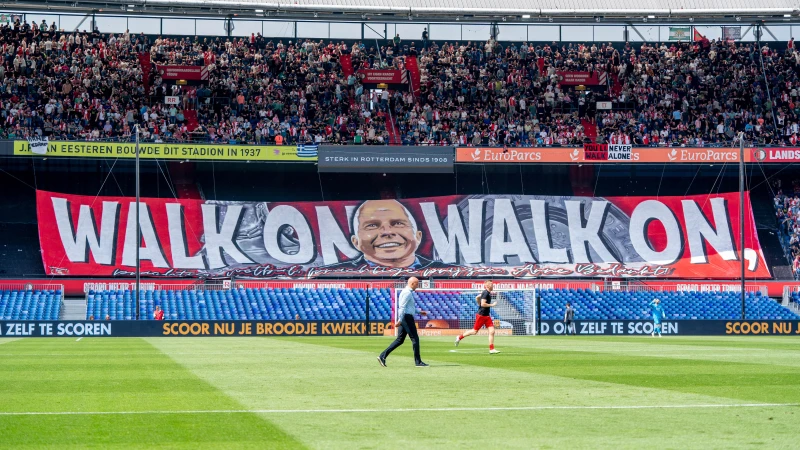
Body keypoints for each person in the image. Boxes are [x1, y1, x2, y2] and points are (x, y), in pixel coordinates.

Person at [323, 200, 443, 270]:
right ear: (356, 242)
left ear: (418, 236)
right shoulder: (336, 272)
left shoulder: (443, 270)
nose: (387, 232)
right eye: (372, 225)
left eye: (398, 223)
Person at [378, 277, 428, 367]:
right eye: (417, 284)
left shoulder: (406, 292)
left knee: (400, 340)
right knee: (415, 339)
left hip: (405, 317)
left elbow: (409, 307)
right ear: (412, 283)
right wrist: (400, 320)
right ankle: (418, 362)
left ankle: (382, 356)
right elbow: (402, 307)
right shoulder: (407, 293)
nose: (418, 285)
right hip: (406, 318)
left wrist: (419, 312)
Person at [454, 280, 500, 354]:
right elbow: (483, 304)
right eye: (491, 284)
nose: (493, 286)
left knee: (492, 331)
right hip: (481, 315)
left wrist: (480, 303)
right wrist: (492, 305)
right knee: (474, 331)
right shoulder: (485, 293)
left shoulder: (486, 293)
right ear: (487, 286)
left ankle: (491, 349)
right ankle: (459, 337)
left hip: (487, 316)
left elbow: (477, 298)